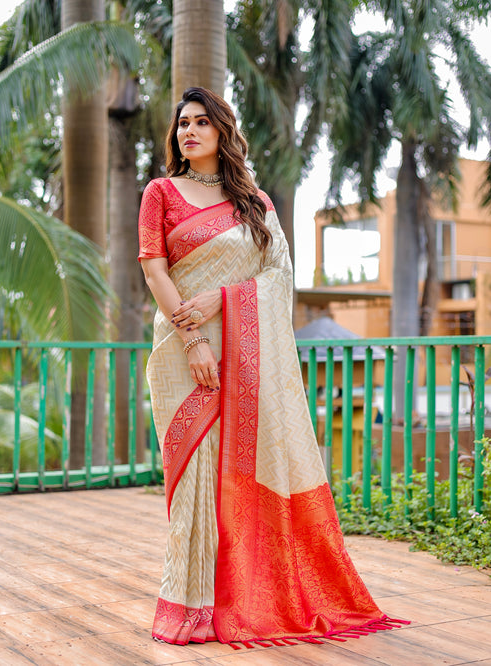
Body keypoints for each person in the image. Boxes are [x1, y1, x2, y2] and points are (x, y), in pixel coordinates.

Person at [138, 87, 407, 648]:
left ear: (223, 132)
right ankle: (189, 608)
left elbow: (277, 276)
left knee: (232, 476)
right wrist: (193, 340)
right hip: (183, 354)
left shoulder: (255, 203)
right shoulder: (159, 192)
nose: (188, 132)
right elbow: (156, 274)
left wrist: (222, 300)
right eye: (182, 123)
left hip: (244, 351)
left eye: (201, 123)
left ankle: (237, 600)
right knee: (193, 478)